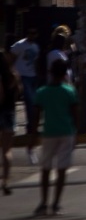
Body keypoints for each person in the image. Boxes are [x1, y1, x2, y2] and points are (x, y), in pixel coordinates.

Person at [34, 59, 78, 217]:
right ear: (65, 73)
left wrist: (33, 136)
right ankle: (56, 203)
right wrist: (76, 134)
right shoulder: (69, 91)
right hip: (66, 132)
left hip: (48, 132)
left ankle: (44, 202)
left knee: (45, 169)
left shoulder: (42, 92)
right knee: (61, 170)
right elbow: (74, 114)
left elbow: (36, 117)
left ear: (50, 72)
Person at [10, 28, 40, 165]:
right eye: (31, 33)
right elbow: (11, 58)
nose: (32, 35)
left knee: (32, 102)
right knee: (27, 101)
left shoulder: (35, 46)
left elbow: (36, 61)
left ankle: (30, 126)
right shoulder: (19, 45)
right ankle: (18, 125)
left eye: (34, 33)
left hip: (32, 75)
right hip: (22, 76)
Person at [1, 50, 21, 195]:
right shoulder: (13, 75)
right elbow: (18, 92)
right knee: (7, 150)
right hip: (9, 111)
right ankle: (5, 181)